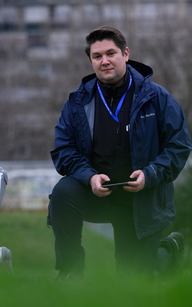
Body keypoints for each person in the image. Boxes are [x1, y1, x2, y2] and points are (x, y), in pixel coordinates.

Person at [48, 25, 192, 279]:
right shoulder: (77, 103)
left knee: (132, 281)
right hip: (96, 194)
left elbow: (179, 146)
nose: (104, 61)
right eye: (97, 56)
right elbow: (63, 149)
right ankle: (70, 273)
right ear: (91, 60)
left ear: (126, 54)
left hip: (140, 200)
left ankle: (167, 251)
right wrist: (89, 176)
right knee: (62, 193)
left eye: (110, 53)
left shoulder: (157, 98)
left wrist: (150, 174)